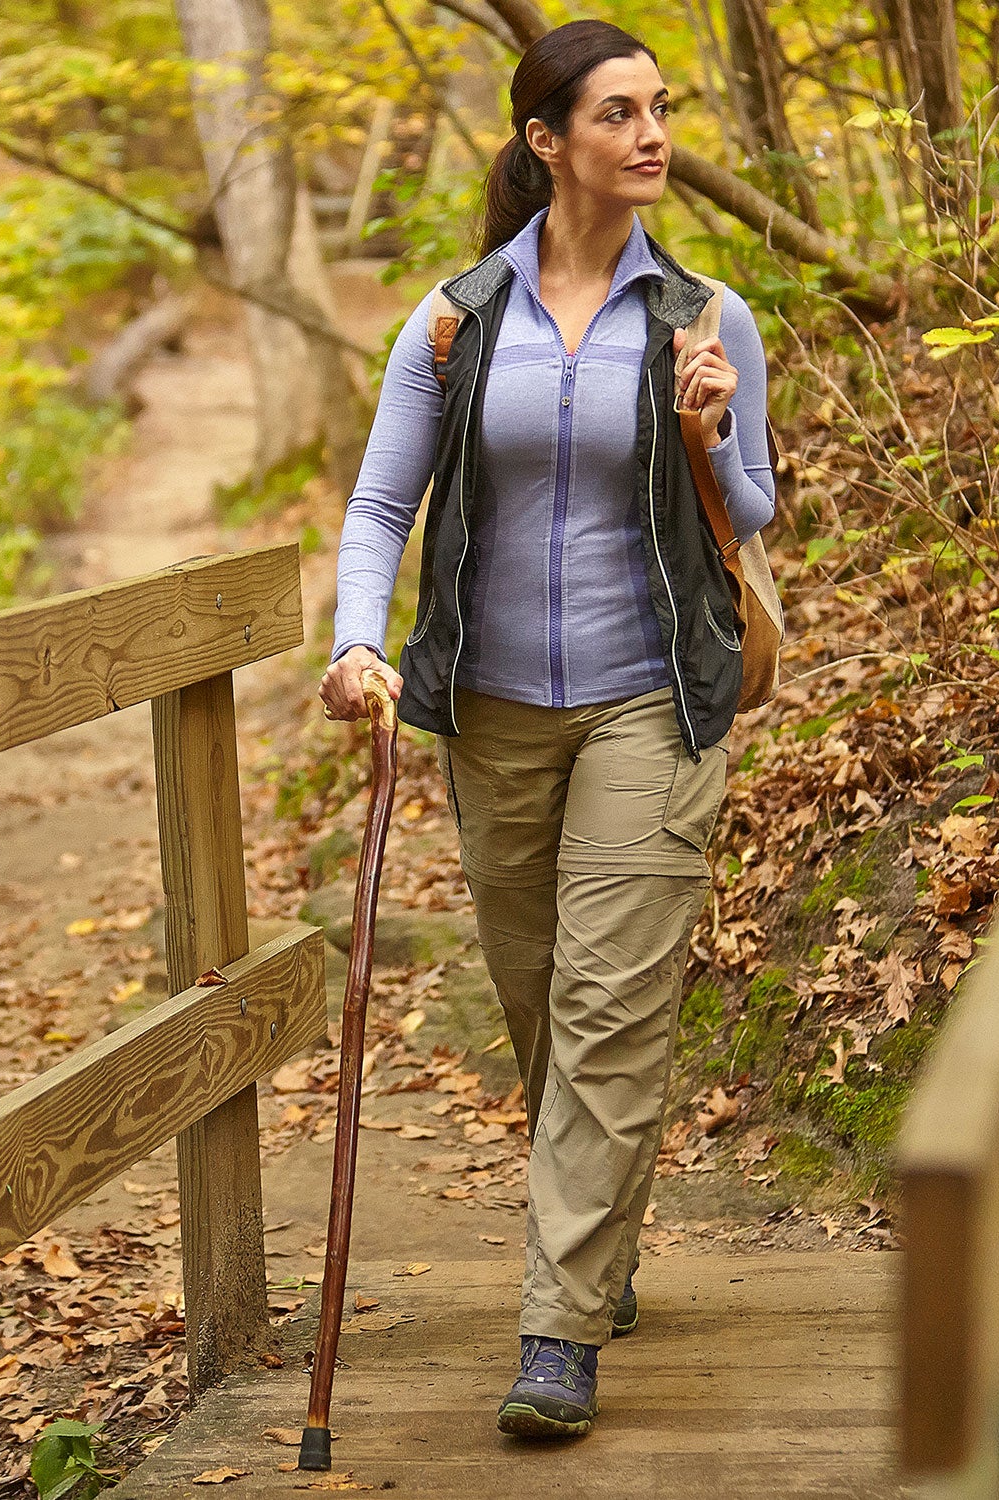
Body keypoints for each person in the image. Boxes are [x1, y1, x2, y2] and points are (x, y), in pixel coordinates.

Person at [318, 18, 776, 1441]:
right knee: (539, 1001)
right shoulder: (457, 319)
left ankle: (556, 1330)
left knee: (609, 1006)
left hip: (658, 699)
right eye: (620, 114)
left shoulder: (706, 315)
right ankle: (599, 1237)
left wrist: (713, 436)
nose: (653, 135)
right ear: (547, 141)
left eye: (661, 110)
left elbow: (755, 511)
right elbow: (383, 505)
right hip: (494, 714)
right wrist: (354, 640)